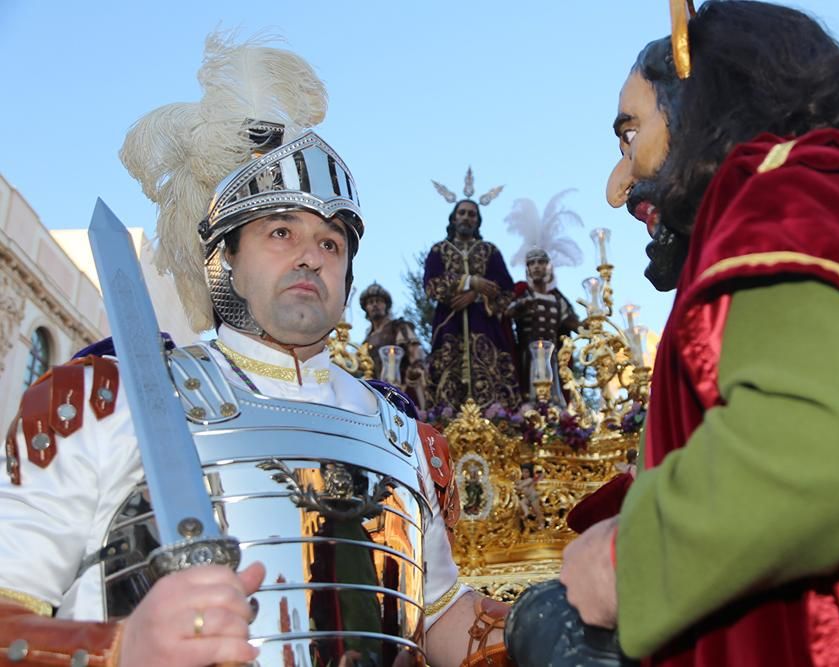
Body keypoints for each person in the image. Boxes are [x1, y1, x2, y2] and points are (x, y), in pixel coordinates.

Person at [0, 35, 511, 667]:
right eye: (280, 231)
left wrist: (555, 618)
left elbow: (444, 620)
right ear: (225, 265)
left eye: (331, 243)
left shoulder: (401, 435)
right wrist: (119, 649)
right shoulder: (109, 402)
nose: (309, 255)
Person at [556, 2, 839, 666]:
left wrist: (629, 560)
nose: (617, 185)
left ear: (703, 102)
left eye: (631, 135)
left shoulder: (786, 200)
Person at [423, 197, 520, 411]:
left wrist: (477, 296)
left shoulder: (489, 251)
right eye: (462, 213)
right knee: (447, 383)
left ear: (478, 221)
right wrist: (470, 281)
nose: (467, 217)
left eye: (472, 214)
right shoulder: (439, 250)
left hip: (484, 327)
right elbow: (431, 285)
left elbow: (506, 289)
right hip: (449, 325)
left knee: (492, 384)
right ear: (454, 218)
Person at [507, 248, 581, 404]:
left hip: (552, 357)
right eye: (531, 263)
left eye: (541, 262)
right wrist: (521, 305)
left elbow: (574, 324)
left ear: (548, 266)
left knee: (555, 396)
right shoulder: (523, 295)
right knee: (529, 396)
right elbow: (506, 313)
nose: (536, 266)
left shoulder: (557, 300)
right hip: (527, 357)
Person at [359, 282, 429, 410]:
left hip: (401, 389)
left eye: (378, 301)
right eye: (370, 302)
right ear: (366, 308)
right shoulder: (366, 341)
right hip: (374, 394)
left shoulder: (398, 327)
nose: (374, 304)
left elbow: (415, 352)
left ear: (386, 305)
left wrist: (415, 369)